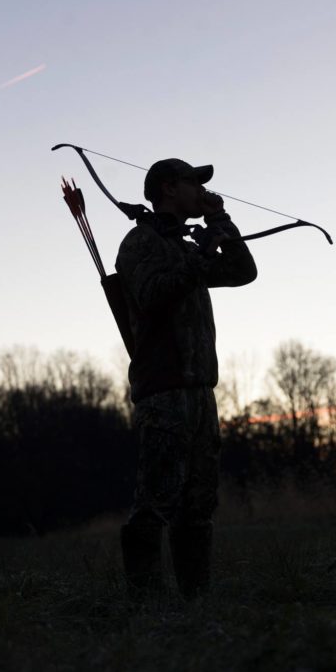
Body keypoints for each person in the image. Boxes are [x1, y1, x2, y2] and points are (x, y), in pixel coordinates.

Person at [114, 158, 258, 599]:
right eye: (195, 183)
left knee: (198, 506)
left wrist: (219, 221)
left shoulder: (182, 242)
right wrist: (199, 255)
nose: (201, 190)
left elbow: (242, 272)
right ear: (169, 188)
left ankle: (196, 604)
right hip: (164, 391)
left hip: (200, 390)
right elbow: (152, 294)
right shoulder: (140, 242)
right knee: (155, 501)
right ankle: (145, 605)